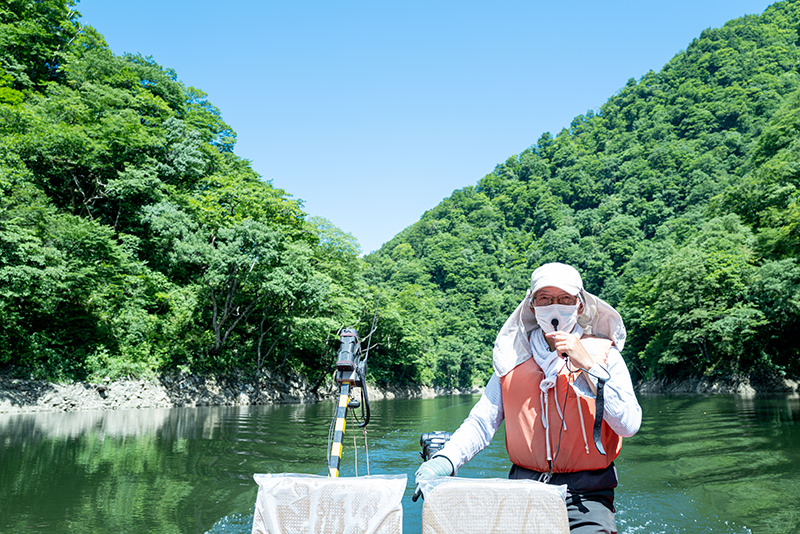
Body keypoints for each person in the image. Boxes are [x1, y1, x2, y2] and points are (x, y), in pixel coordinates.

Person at [414, 262, 642, 534]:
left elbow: (628, 425)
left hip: (588, 495)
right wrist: (444, 460)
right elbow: (481, 423)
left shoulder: (606, 356)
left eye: (565, 299)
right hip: (523, 489)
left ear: (580, 305)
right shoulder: (512, 359)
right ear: (532, 305)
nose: (554, 306)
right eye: (544, 299)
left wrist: (589, 367)